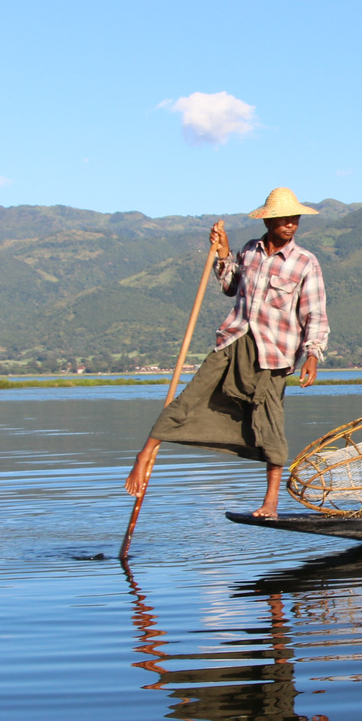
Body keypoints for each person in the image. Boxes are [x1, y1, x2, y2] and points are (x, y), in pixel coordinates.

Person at [124, 187, 329, 517]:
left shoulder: (305, 263)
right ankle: (145, 452)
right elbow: (231, 286)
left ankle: (271, 501)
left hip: (273, 353)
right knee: (190, 396)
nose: (291, 224)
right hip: (234, 339)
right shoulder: (250, 251)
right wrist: (224, 253)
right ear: (270, 220)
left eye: (295, 218)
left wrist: (313, 355)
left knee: (270, 422)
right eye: (284, 218)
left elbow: (314, 314)